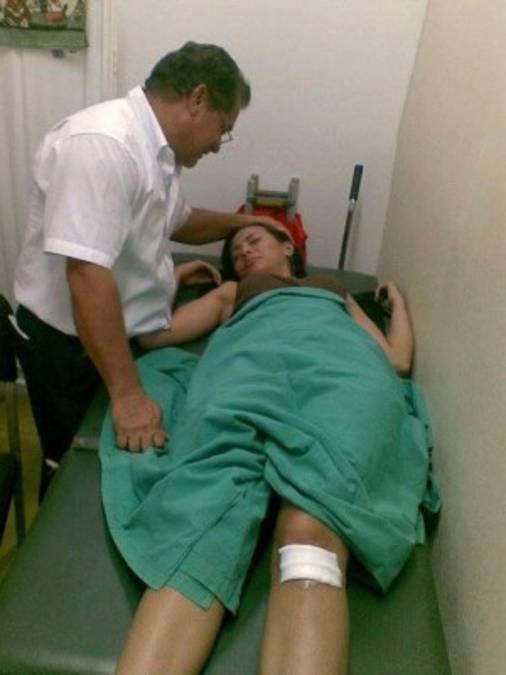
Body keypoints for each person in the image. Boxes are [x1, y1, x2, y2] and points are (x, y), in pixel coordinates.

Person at [99, 223, 440, 674]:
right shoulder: (234, 294)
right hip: (246, 373)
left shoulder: (334, 291)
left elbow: (396, 360)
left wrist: (398, 305)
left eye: (253, 241)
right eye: (235, 252)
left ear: (288, 248)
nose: (243, 252)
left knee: (312, 528)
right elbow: (154, 336)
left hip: (340, 374)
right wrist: (173, 280)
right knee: (204, 518)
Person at [12, 41, 278, 494]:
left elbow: (179, 221)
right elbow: (86, 275)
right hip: (67, 345)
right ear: (198, 99)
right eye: (223, 128)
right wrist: (128, 394)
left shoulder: (159, 152)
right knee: (74, 470)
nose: (218, 144)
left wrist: (242, 224)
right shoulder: (103, 144)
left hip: (116, 328)